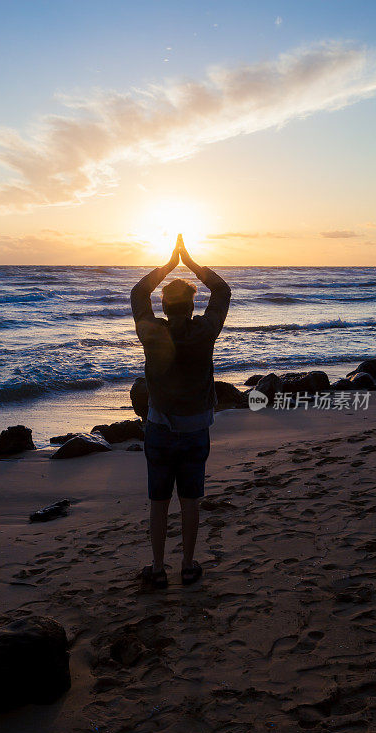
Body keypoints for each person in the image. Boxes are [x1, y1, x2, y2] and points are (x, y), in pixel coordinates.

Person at [130, 234, 231, 588]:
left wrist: (169, 265)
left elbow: (137, 294)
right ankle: (188, 565)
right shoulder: (205, 331)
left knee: (159, 504)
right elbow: (223, 292)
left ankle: (158, 569)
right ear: (191, 306)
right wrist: (189, 262)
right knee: (190, 502)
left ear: (164, 305)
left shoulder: (152, 332)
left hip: (159, 430)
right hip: (194, 431)